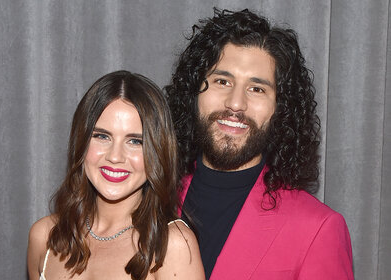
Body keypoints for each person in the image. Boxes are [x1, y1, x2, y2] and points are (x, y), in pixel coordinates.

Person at [164, 8, 354, 280]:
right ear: (194, 91)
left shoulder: (317, 229)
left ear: (281, 108)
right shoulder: (148, 198)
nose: (236, 103)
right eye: (222, 80)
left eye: (257, 88)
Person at [27, 71, 205, 280]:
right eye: (102, 136)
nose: (115, 156)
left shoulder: (172, 245)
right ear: (81, 141)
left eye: (135, 141)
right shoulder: (44, 237)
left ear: (158, 151)